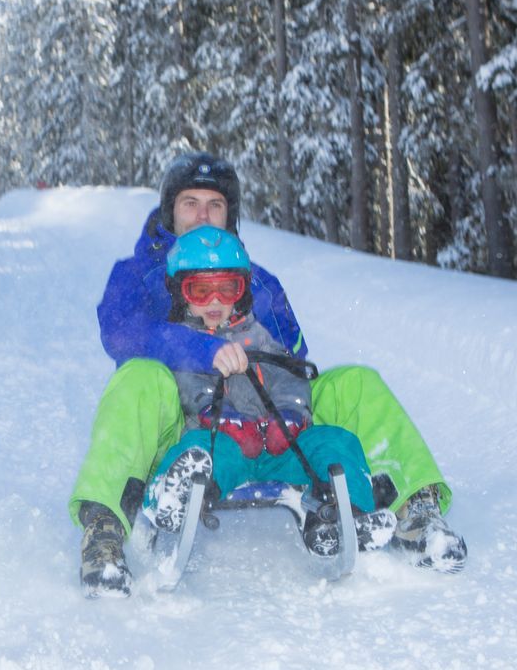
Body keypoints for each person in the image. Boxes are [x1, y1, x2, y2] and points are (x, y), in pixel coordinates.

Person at [69, 150, 464, 595]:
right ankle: (104, 529)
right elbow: (122, 335)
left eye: (215, 204)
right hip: (181, 421)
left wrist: (267, 366)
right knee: (139, 379)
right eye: (190, 202)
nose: (203, 214)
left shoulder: (256, 279)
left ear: (230, 215)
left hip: (268, 416)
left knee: (356, 382)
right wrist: (202, 347)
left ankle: (415, 512)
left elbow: (293, 355)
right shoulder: (138, 273)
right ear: (169, 210)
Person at [141, 225, 402, 559]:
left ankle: (350, 514)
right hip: (223, 445)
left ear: (243, 291)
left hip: (278, 449)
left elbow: (290, 378)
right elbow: (188, 387)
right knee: (200, 452)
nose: (215, 302)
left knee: (334, 441)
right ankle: (175, 496)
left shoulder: (259, 336)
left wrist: (291, 418)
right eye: (201, 290)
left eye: (227, 288)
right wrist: (227, 423)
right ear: (180, 293)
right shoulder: (185, 345)